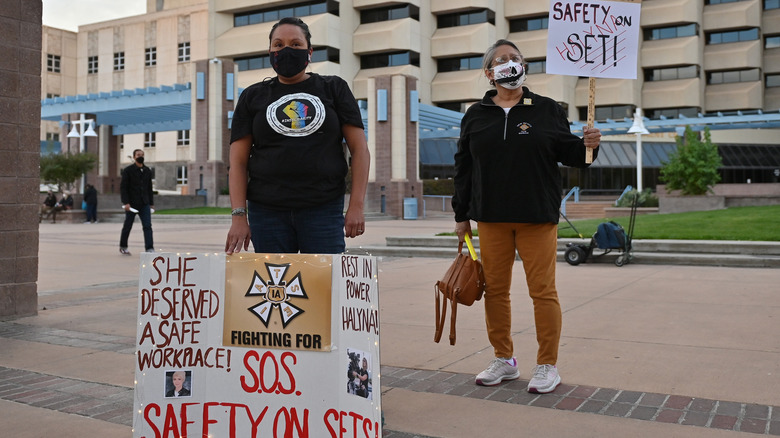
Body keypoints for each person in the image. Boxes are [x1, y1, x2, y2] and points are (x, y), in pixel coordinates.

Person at [452, 39, 602, 393]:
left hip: (537, 216)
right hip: (491, 217)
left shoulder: (547, 109)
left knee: (543, 291)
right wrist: (462, 216)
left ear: (525, 66)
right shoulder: (475, 115)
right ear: (489, 73)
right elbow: (463, 168)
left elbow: (574, 155)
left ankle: (547, 365)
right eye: (501, 60)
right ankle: (504, 359)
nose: (509, 63)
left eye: (515, 58)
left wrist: (590, 144)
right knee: (496, 291)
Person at [224, 16, 369, 255]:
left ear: (309, 51)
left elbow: (360, 150)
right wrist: (239, 216)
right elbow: (238, 162)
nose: (287, 50)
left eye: (296, 44)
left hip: (322, 210)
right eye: (279, 44)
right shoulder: (252, 96)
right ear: (270, 51)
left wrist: (356, 205)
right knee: (276, 289)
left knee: (323, 289)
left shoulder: (334, 88)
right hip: (267, 214)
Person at [119, 149, 155, 255]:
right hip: (132, 204)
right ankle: (123, 246)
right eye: (138, 155)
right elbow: (123, 188)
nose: (141, 156)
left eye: (142, 155)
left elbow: (149, 188)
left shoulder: (147, 170)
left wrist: (151, 203)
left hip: (144, 203)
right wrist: (126, 202)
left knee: (147, 226)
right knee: (128, 225)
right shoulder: (128, 171)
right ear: (134, 157)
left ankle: (149, 248)